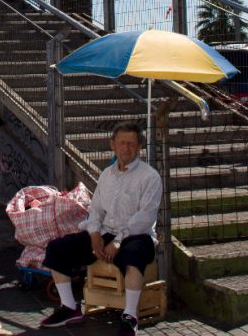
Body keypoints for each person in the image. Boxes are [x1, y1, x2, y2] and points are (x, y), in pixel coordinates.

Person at [39, 121, 162, 336]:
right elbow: (95, 209)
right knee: (57, 247)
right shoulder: (106, 175)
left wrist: (117, 241)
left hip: (136, 235)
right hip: (105, 232)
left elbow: (145, 217)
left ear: (140, 146)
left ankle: (130, 316)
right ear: (112, 144)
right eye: (122, 142)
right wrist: (94, 234)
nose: (126, 147)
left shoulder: (150, 177)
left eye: (131, 143)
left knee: (134, 253)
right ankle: (69, 307)